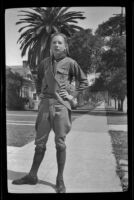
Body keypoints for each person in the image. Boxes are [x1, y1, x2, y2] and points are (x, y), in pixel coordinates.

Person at [12, 32, 88, 193]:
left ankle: (59, 180)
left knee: (60, 144)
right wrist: (39, 92)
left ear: (65, 46)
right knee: (39, 144)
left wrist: (71, 95)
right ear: (50, 46)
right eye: (54, 42)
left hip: (61, 106)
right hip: (45, 105)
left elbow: (84, 81)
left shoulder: (71, 63)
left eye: (60, 43)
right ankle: (32, 176)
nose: (56, 45)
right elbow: (38, 79)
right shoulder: (44, 63)